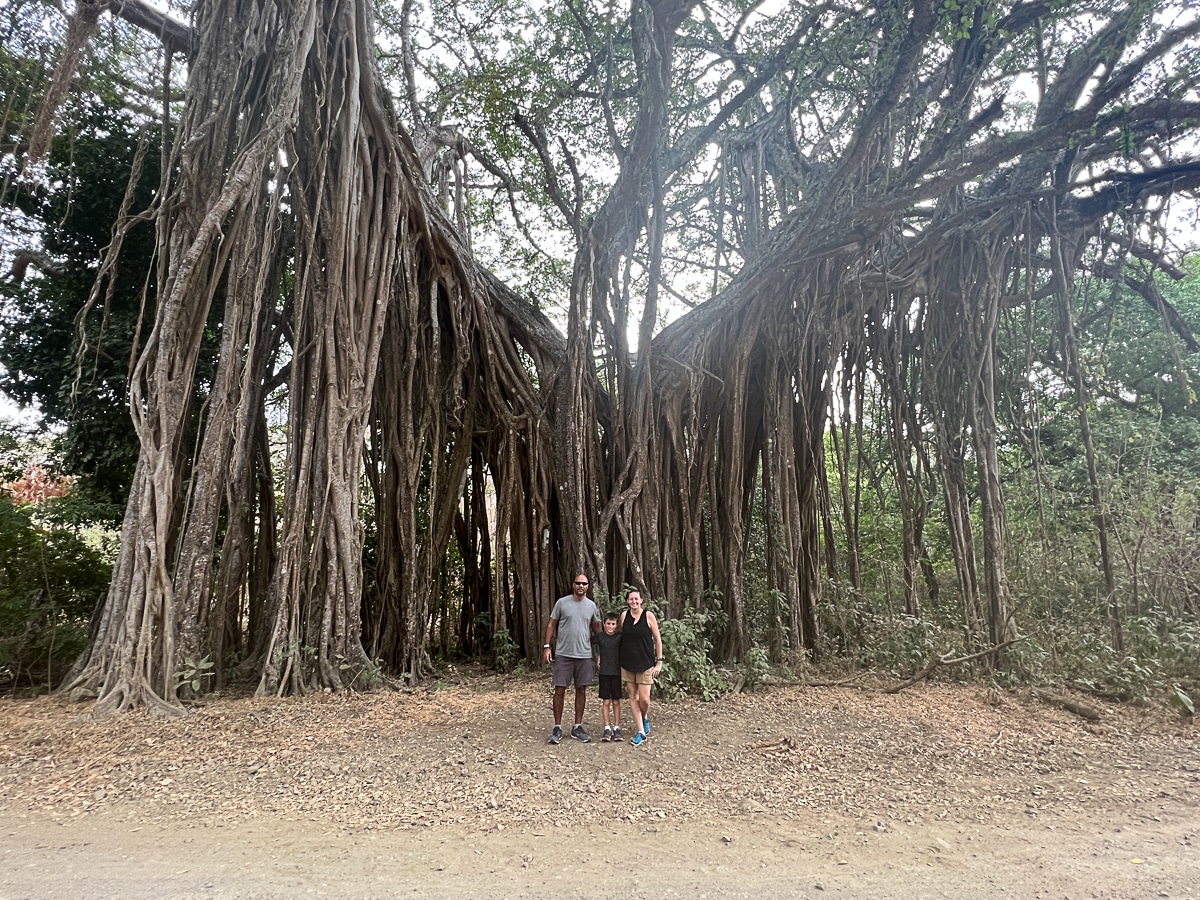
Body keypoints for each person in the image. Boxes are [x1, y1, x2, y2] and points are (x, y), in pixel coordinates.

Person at [543, 573, 601, 744]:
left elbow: (597, 629)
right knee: (560, 688)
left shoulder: (591, 606)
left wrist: (604, 651)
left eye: (584, 583)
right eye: (578, 583)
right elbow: (551, 624)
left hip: (583, 655)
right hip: (564, 654)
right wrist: (547, 646)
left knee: (581, 689)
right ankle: (557, 727)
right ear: (573, 584)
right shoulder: (562, 603)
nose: (581, 586)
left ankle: (577, 726)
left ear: (588, 586)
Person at [618, 588, 662, 747]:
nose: (634, 602)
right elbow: (620, 636)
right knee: (632, 696)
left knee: (644, 699)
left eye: (636, 599)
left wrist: (659, 662)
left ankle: (644, 717)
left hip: (645, 663)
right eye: (631, 599)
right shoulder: (624, 616)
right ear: (628, 601)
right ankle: (641, 732)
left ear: (641, 600)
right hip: (628, 663)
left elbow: (657, 640)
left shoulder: (648, 616)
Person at [592, 612, 624, 741]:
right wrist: (598, 657)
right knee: (606, 701)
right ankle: (606, 728)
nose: (610, 626)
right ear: (604, 624)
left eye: (613, 624)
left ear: (616, 625)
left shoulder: (620, 637)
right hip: (604, 672)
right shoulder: (599, 637)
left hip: (617, 672)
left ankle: (616, 727)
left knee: (616, 701)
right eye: (608, 624)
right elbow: (586, 642)